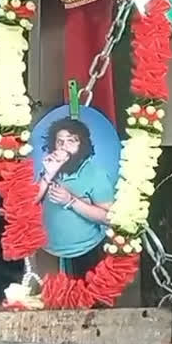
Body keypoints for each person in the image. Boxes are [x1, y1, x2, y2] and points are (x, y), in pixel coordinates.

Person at [36, 117, 114, 275]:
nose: (64, 147)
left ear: (82, 145)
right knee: (49, 299)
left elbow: (109, 218)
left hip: (85, 252)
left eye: (71, 141)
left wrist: (70, 200)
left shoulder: (96, 174)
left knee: (86, 299)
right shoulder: (49, 169)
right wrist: (48, 175)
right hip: (48, 252)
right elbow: (29, 202)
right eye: (60, 142)